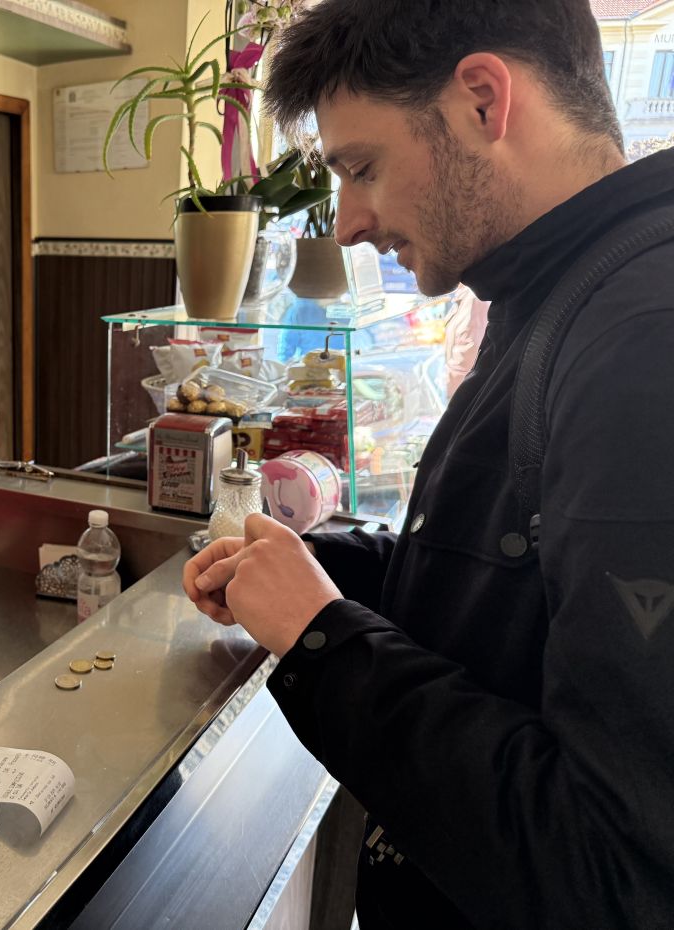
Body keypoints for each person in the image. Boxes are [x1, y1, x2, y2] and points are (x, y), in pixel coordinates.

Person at [183, 1, 674, 928]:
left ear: (485, 101)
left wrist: (326, 640)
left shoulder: (643, 342)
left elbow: (614, 872)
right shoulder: (557, 288)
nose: (351, 221)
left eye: (361, 168)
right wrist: (331, 566)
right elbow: (516, 588)